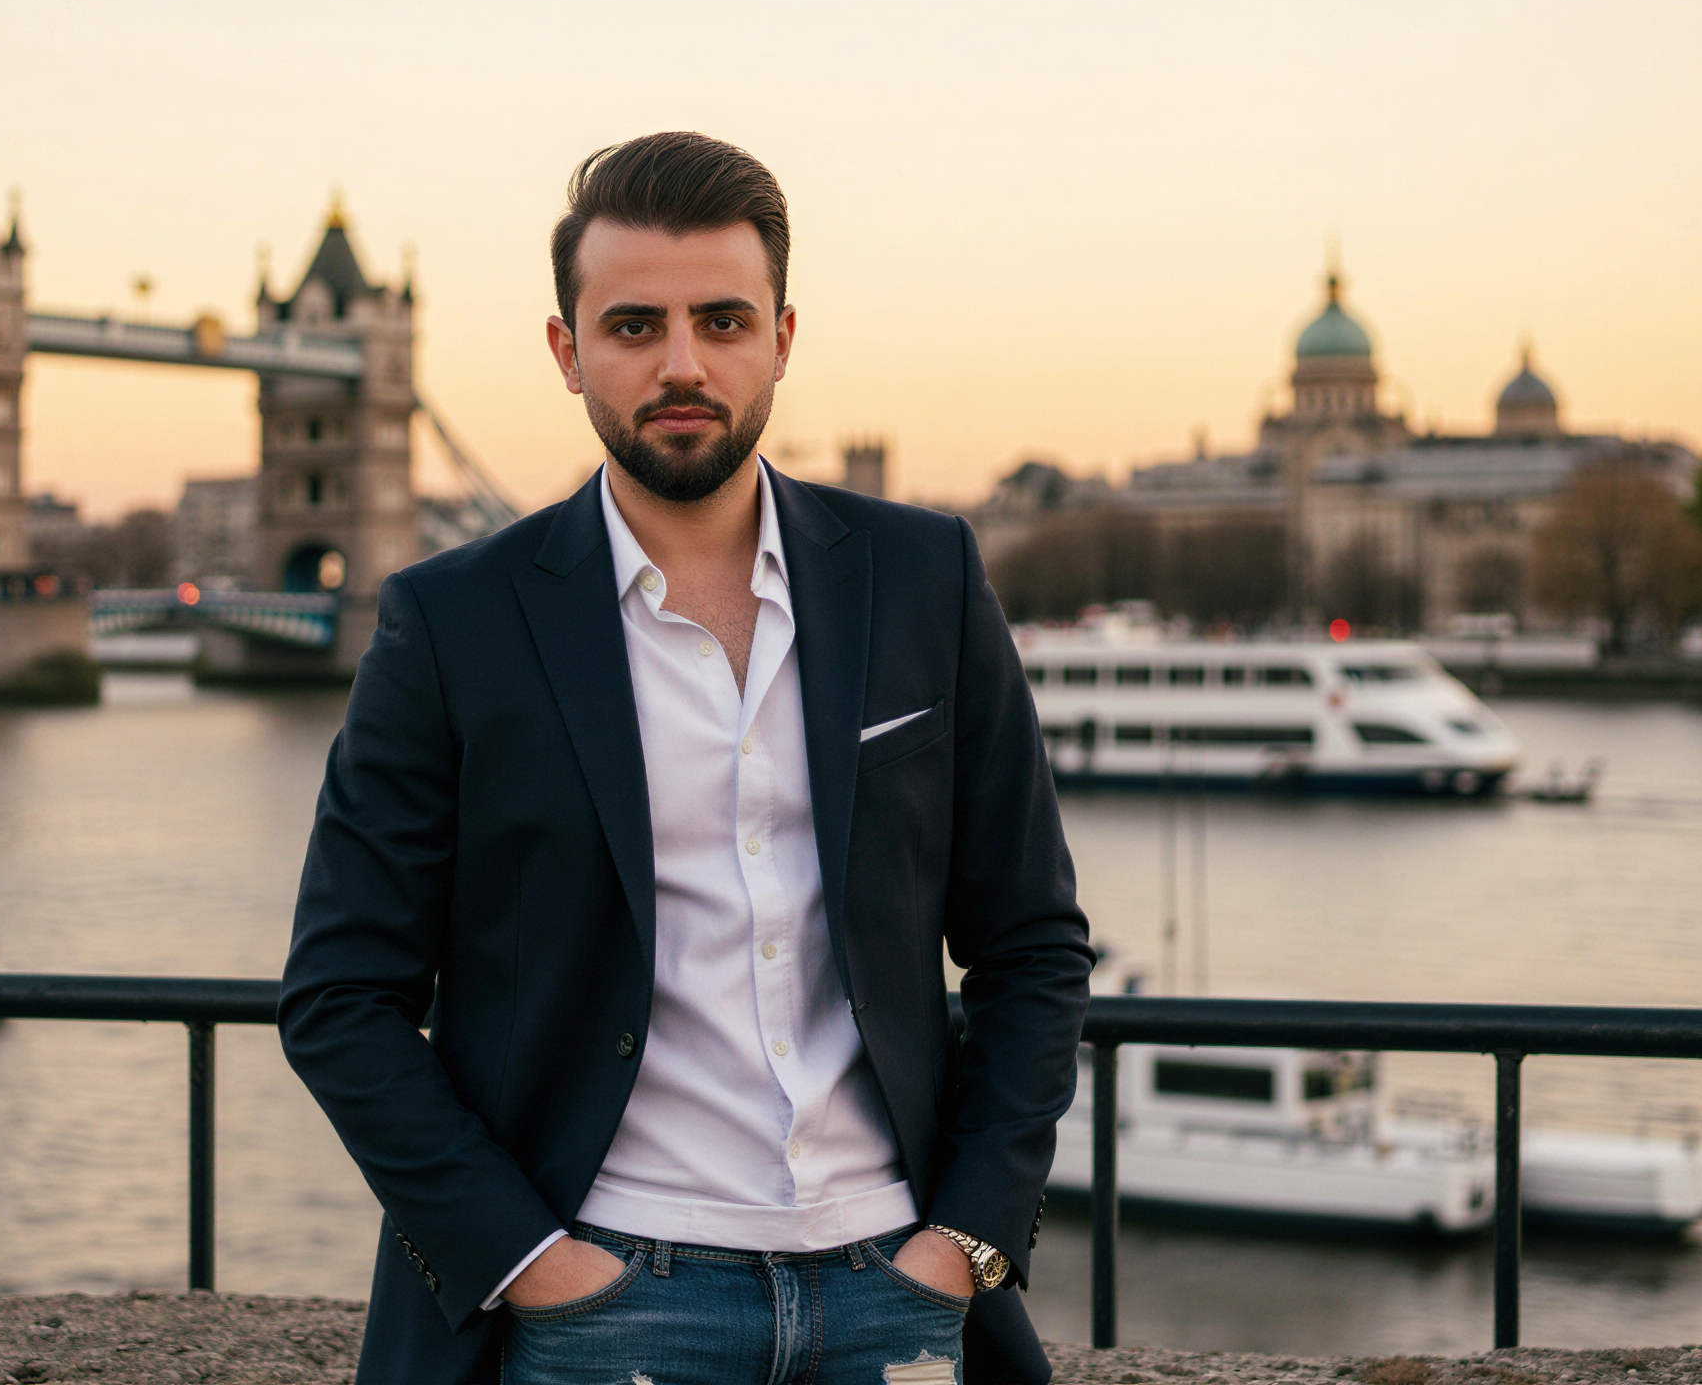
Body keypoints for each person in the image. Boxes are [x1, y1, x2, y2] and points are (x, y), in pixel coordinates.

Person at [279, 132, 1092, 1385]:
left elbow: (1030, 941)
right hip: (602, 1299)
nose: (680, 364)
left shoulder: (922, 577)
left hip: (896, 1291)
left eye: (721, 320)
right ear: (566, 353)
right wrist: (529, 1264)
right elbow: (340, 995)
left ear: (781, 337)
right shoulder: (451, 623)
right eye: (632, 326)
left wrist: (967, 1237)